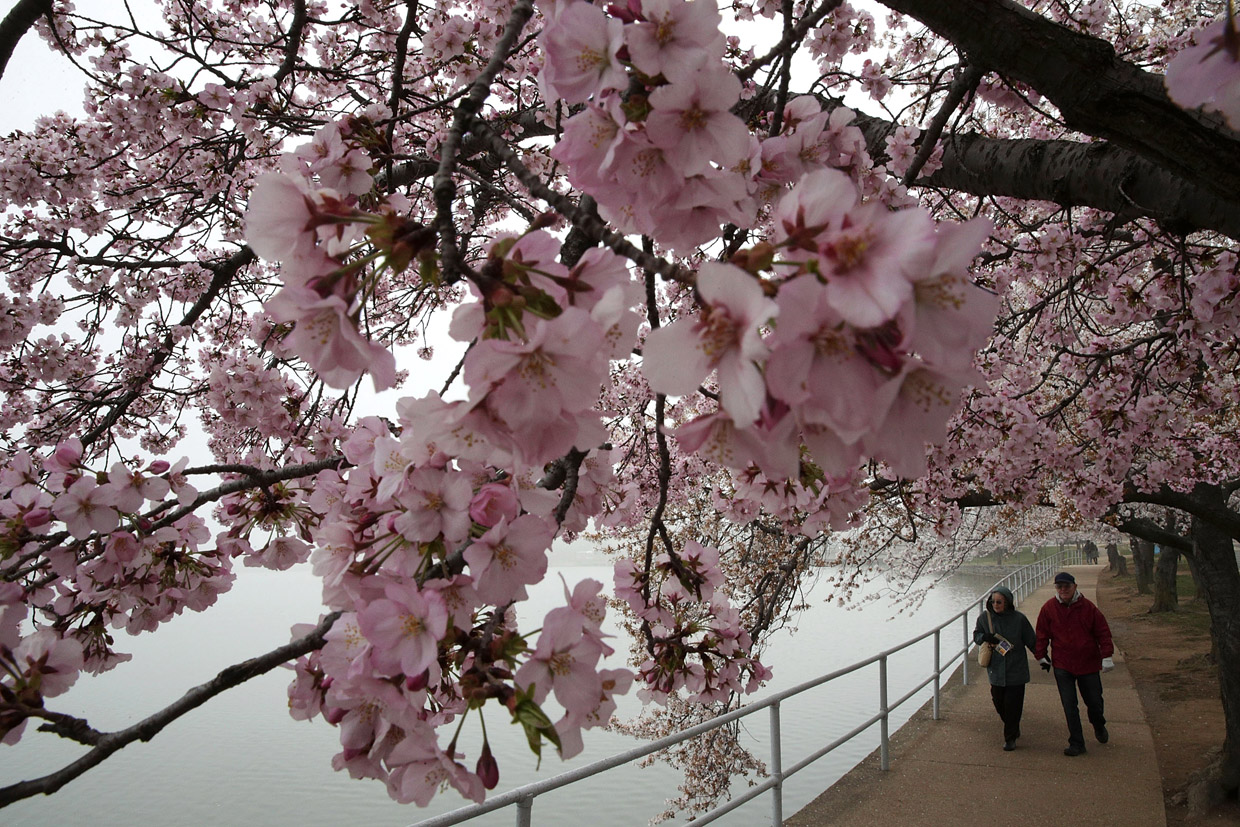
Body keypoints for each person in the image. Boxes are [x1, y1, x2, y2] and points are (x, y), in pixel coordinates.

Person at [1034, 571, 1115, 756]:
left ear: (1074, 587)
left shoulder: (1088, 608)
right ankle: (1077, 742)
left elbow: (1103, 632)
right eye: (1059, 587)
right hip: (1063, 664)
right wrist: (1041, 655)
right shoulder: (1049, 608)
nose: (1063, 590)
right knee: (1069, 705)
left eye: (1067, 586)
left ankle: (1098, 724)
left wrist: (1107, 655)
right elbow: (1042, 634)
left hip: (1088, 663)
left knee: (1094, 702)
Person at [974, 586, 1037, 751]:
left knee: (1013, 704)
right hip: (996, 668)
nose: (996, 605)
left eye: (999, 602)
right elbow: (976, 635)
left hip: (1016, 667)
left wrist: (1042, 657)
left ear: (1007, 603)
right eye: (993, 601)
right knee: (998, 701)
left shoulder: (1019, 619)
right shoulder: (984, 618)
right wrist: (984, 637)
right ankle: (1012, 726)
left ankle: (1010, 738)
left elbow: (1031, 640)